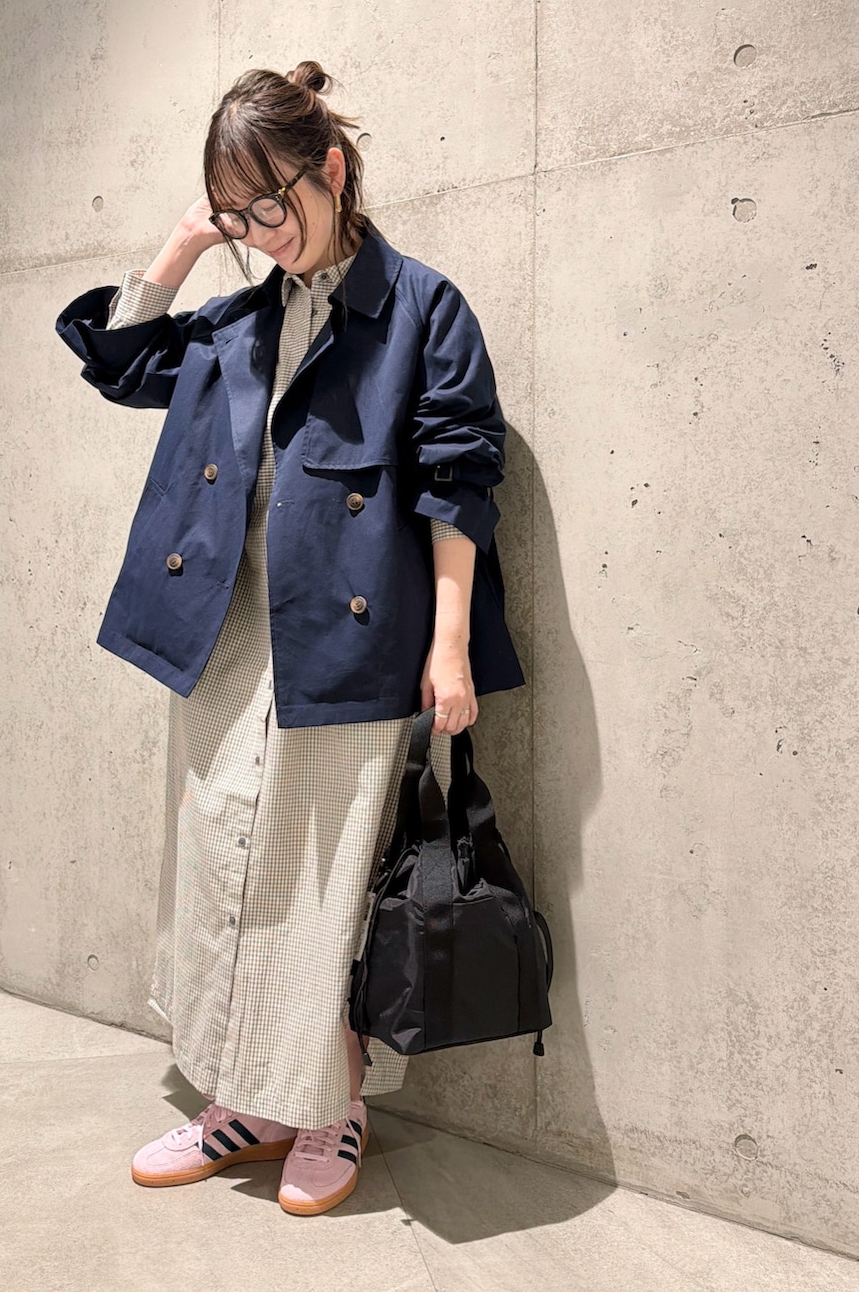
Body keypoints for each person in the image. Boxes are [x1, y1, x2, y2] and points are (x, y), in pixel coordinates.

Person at [54, 60, 524, 1217]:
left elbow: (459, 482)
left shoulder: (422, 308)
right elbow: (120, 360)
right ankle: (246, 1103)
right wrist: (187, 239)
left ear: (333, 169)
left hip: (352, 639)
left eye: (272, 206)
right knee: (223, 867)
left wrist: (450, 646)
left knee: (320, 885)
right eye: (238, 217)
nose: (262, 235)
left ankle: (329, 1107)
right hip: (225, 638)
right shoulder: (238, 317)